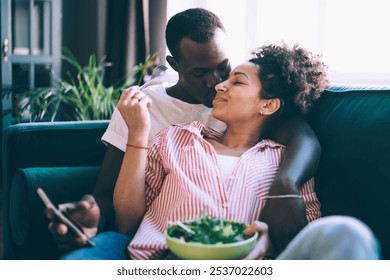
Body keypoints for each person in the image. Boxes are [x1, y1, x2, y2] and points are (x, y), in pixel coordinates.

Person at [47, 8, 320, 259]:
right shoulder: (158, 120)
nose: (216, 83)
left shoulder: (260, 131)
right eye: (200, 72)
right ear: (174, 64)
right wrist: (91, 209)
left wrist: (284, 187)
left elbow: (301, 136)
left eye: (224, 69)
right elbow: (119, 204)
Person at [113, 43, 379, 260]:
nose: (219, 86)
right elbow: (127, 223)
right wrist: (137, 134)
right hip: (170, 263)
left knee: (349, 232)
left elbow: (303, 240)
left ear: (268, 105)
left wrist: (271, 245)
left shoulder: (284, 160)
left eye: (237, 82)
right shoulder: (176, 138)